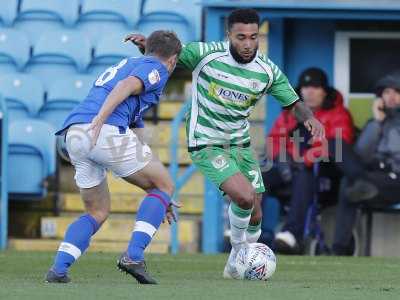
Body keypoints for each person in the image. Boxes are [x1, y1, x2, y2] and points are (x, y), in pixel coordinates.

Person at [126, 9, 324, 278]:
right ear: (229, 35)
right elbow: (167, 56)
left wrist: (311, 119)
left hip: (239, 144)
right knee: (243, 196)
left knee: (255, 212)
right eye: (241, 37)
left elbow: (292, 102)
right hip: (205, 141)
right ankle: (240, 254)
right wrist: (147, 46)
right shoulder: (205, 54)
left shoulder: (266, 70)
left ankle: (237, 264)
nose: (247, 43)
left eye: (253, 37)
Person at [45, 30, 182, 284]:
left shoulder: (131, 64)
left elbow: (136, 127)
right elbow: (125, 86)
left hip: (74, 134)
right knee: (165, 184)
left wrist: (157, 194)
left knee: (97, 211)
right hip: (103, 129)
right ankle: (133, 256)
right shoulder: (158, 69)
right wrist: (100, 120)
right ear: (173, 60)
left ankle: (59, 269)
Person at [264, 68, 355, 254]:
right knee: (258, 175)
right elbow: (274, 140)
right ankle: (245, 229)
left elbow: (338, 145)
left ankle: (291, 234)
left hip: (324, 176)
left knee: (304, 174)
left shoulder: (338, 114)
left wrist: (304, 159)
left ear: (324, 91)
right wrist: (284, 159)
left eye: (315, 87)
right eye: (306, 87)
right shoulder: (290, 114)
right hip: (291, 170)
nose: (310, 92)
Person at [332, 71, 400, 255]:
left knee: (351, 184)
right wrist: (377, 123)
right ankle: (340, 250)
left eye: (396, 92)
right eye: (386, 92)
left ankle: (339, 250)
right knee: (335, 145)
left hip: (395, 180)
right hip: (374, 177)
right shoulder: (376, 122)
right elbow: (361, 154)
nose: (391, 97)